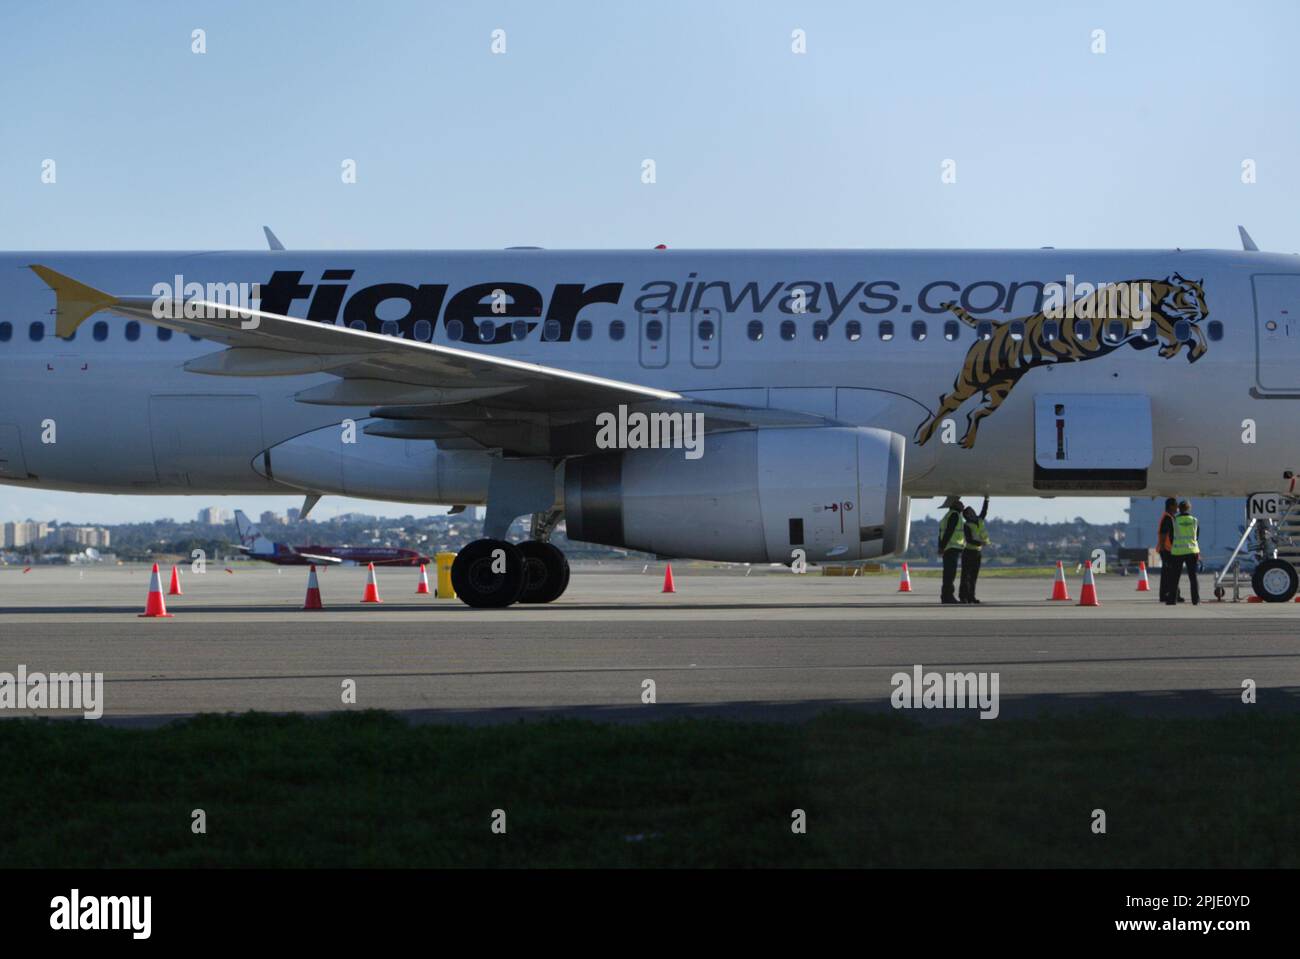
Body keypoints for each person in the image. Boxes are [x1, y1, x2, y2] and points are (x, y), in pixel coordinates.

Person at [1167, 499, 1200, 606]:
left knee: (1174, 577)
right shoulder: (1194, 520)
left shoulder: (1174, 520)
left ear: (1179, 509)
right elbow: (1196, 536)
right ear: (1189, 508)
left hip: (1178, 551)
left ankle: (1172, 600)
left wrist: (1175, 545)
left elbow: (1171, 536)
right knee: (1193, 577)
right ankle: (1195, 600)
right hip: (1192, 551)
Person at [959, 497, 990, 604]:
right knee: (966, 576)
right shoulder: (967, 525)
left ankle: (971, 596)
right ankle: (964, 597)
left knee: (973, 577)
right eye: (970, 512)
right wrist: (981, 543)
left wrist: (986, 500)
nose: (972, 513)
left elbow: (984, 511)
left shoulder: (979, 520)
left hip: (977, 552)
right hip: (969, 551)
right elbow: (969, 539)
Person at [937, 496, 966, 604]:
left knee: (948, 574)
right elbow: (949, 532)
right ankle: (948, 597)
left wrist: (941, 547)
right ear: (955, 505)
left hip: (948, 549)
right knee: (950, 574)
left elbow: (941, 534)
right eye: (960, 504)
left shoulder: (947, 516)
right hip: (952, 548)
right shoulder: (955, 515)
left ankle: (946, 596)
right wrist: (942, 547)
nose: (963, 506)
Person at [1156, 497, 1180, 603]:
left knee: (1168, 573)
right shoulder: (1167, 518)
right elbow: (1163, 534)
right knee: (1169, 574)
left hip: (1168, 550)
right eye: (1176, 505)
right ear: (1171, 506)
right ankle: (1167, 595)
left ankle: (1169, 594)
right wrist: (1162, 548)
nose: (1178, 507)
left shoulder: (1170, 517)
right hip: (1167, 550)